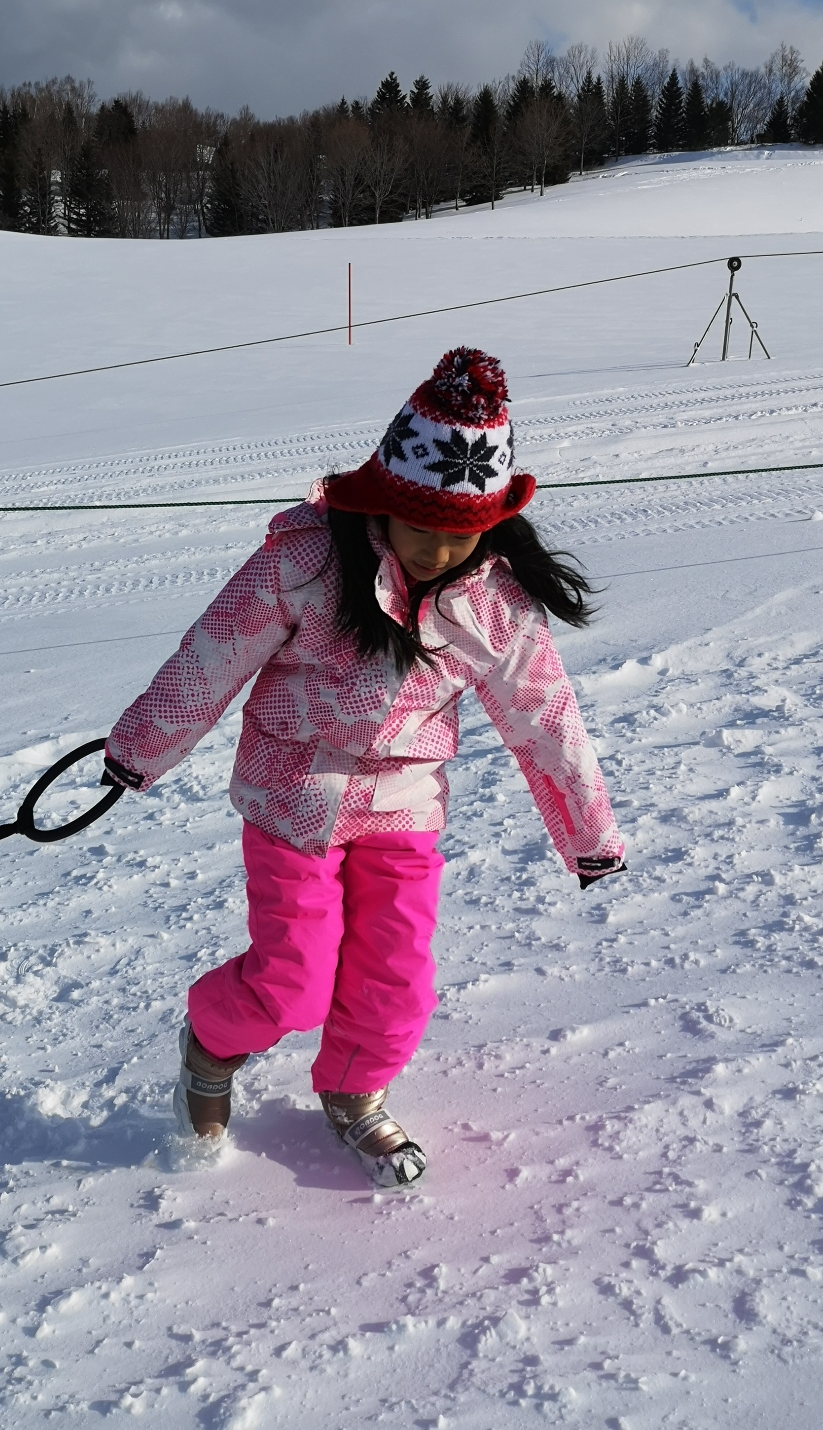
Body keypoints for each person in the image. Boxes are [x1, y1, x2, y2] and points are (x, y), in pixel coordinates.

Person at [103, 347, 626, 1189]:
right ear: (382, 499)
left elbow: (546, 719)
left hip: (404, 806)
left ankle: (353, 1091)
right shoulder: (307, 560)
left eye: (459, 533)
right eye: (419, 526)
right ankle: (208, 1047)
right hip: (292, 799)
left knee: (398, 981)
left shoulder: (494, 601)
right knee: (295, 983)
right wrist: (137, 753)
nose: (435, 549)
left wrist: (587, 835)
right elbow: (211, 658)